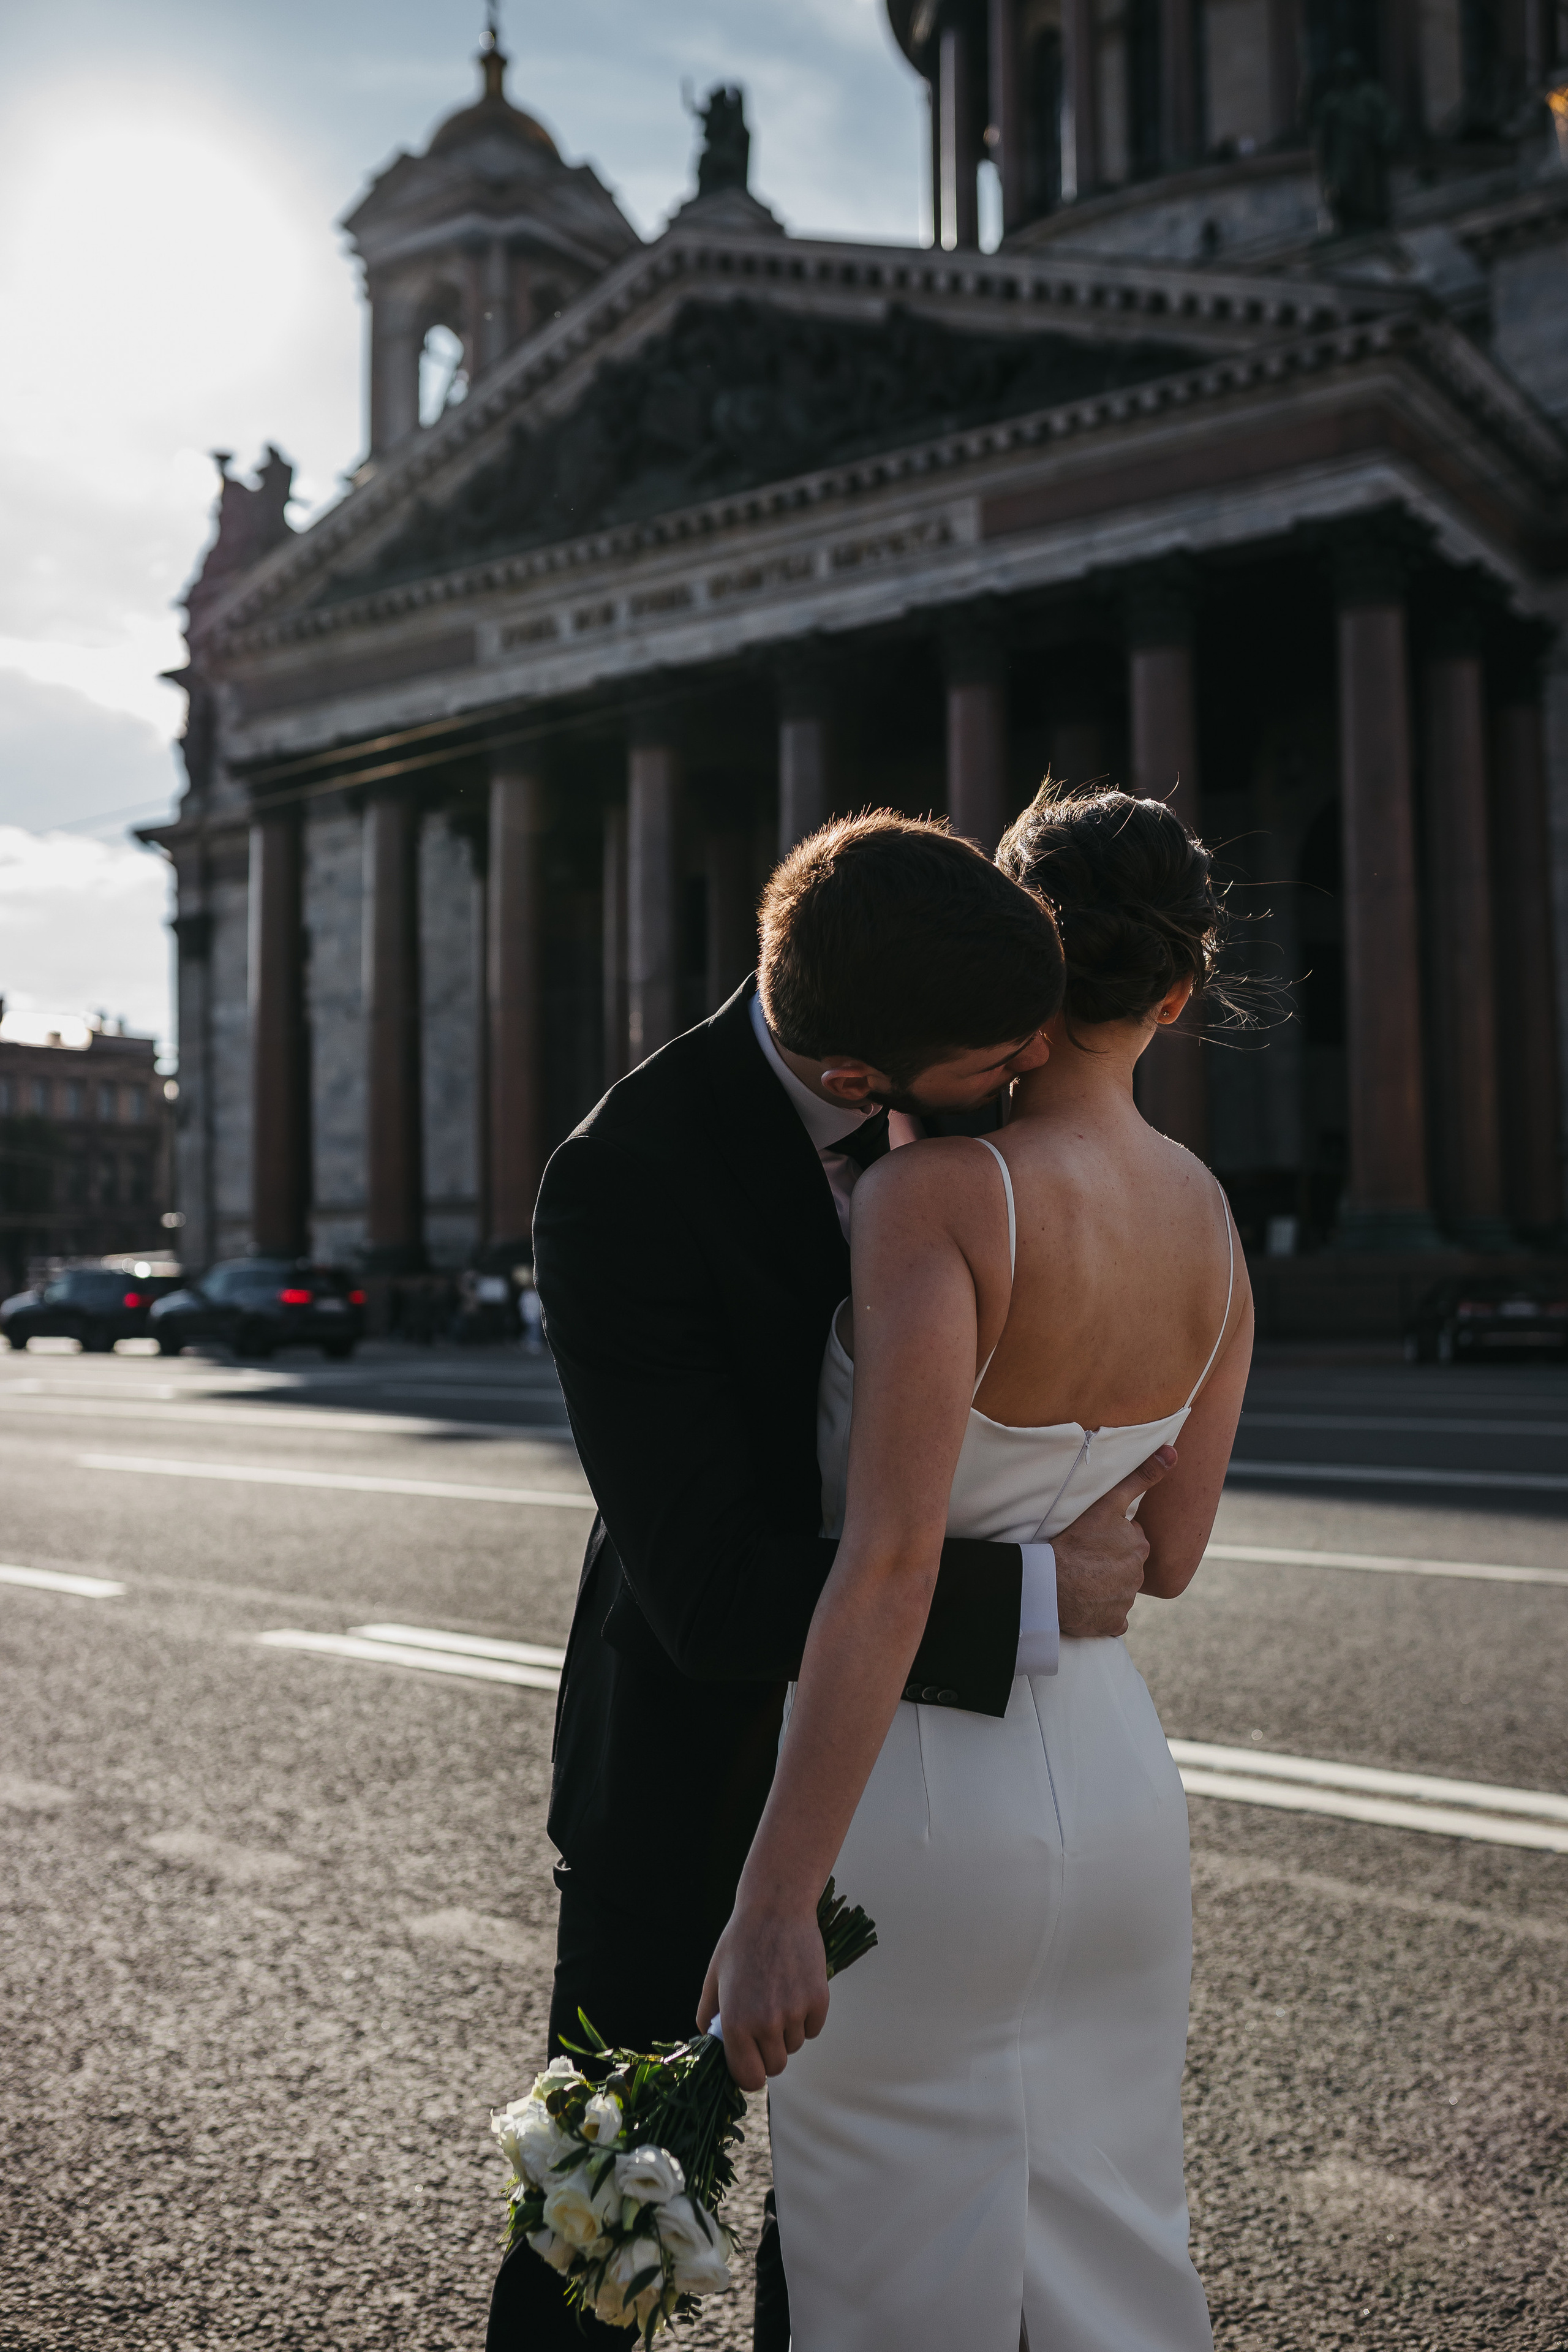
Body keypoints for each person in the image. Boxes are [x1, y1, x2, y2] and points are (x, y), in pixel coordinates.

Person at [488, 813, 1176, 2351]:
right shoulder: (622, 1183)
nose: (1031, 1074)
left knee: (864, 2223)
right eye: (1004, 1058)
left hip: (909, 1784)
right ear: (864, 1079)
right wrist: (1034, 1589)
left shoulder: (954, 1083)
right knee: (601, 2235)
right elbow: (714, 1597)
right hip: (687, 1772)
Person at [703, 786, 1254, 2352]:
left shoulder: (933, 1198)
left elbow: (882, 1572)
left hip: (921, 1805)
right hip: (1118, 1792)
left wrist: (771, 1898)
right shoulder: (1211, 1220)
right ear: (1176, 991)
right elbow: (1170, 1557)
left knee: (887, 2272)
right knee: (1112, 2248)